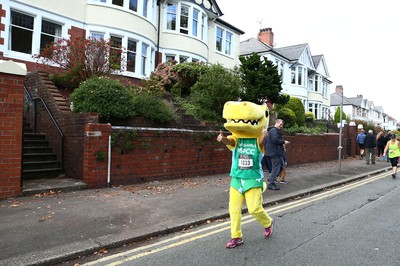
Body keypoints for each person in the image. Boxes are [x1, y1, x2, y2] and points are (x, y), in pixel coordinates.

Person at [217, 101, 274, 249]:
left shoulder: (256, 140)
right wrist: (221, 138)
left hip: (253, 178)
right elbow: (228, 141)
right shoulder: (236, 138)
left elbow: (261, 142)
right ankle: (236, 237)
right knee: (234, 210)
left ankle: (268, 223)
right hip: (236, 178)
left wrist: (264, 135)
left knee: (254, 209)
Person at [265, 119, 290, 190]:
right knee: (275, 168)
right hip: (274, 153)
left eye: (282, 125)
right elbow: (275, 140)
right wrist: (283, 142)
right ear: (276, 123)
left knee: (282, 166)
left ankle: (271, 178)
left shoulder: (274, 131)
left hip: (277, 153)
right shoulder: (274, 130)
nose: (281, 126)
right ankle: (271, 183)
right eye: (280, 124)